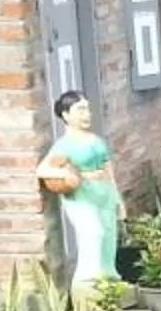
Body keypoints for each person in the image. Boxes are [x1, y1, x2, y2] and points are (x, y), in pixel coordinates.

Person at [36, 89, 122, 287]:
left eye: (87, 110)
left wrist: (117, 198)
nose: (87, 114)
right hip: (81, 196)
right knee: (93, 232)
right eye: (80, 110)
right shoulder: (64, 145)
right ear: (66, 115)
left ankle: (108, 276)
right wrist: (68, 175)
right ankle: (88, 279)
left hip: (103, 193)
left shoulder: (96, 141)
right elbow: (42, 169)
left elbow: (108, 169)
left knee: (109, 235)